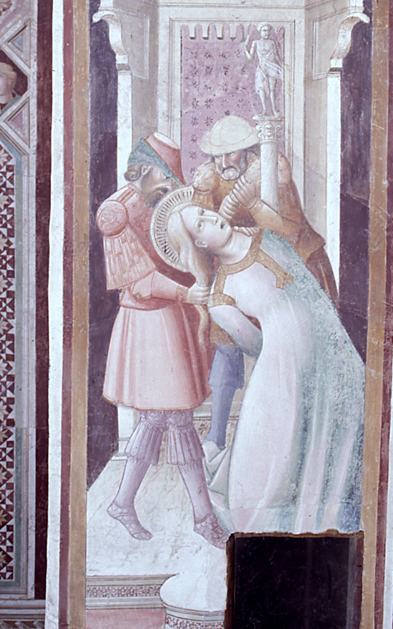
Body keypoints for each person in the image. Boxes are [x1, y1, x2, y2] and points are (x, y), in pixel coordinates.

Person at [155, 190, 364, 535]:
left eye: (204, 213)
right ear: (200, 245)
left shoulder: (269, 237)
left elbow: (314, 294)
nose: (212, 218)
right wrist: (289, 347)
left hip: (329, 351)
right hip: (280, 373)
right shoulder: (220, 297)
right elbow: (254, 344)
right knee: (274, 464)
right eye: (200, 226)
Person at [96, 134, 225, 547]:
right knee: (177, 416)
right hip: (148, 324)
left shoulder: (158, 202)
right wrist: (190, 294)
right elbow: (140, 281)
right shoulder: (114, 213)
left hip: (171, 317)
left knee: (159, 418)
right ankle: (203, 517)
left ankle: (123, 503)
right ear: (148, 169)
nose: (171, 185)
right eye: (166, 176)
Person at [191, 113, 338, 453]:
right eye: (217, 156)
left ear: (247, 150)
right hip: (241, 273)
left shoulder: (272, 169)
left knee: (301, 347)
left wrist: (254, 205)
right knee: (227, 343)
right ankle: (216, 435)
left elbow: (289, 231)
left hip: (293, 267)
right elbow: (200, 235)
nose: (223, 163)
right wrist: (201, 194)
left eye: (230, 153)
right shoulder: (211, 178)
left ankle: (307, 436)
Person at [244, 23, 283, 117]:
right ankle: (264, 110)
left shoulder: (272, 43)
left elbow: (276, 56)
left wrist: (282, 67)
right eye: (264, 31)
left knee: (272, 89)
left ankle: (274, 110)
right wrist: (245, 50)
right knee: (261, 88)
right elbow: (250, 58)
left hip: (272, 67)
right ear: (260, 32)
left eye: (268, 31)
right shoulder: (256, 43)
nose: (266, 33)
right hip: (262, 67)